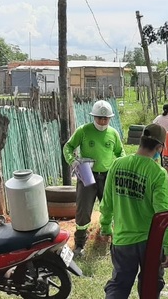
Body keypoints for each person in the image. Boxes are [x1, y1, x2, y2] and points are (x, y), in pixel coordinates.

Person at [99, 123, 168, 298]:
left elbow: (107, 203)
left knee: (118, 285)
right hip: (150, 242)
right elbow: (162, 214)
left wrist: (105, 227)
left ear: (140, 142)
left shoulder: (117, 165)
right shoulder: (157, 173)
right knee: (150, 285)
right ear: (159, 147)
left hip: (122, 240)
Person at [63, 99, 125, 256]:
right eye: (99, 118)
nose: (103, 121)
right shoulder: (83, 131)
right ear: (93, 117)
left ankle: (110, 238)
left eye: (106, 118)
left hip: (108, 175)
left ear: (110, 118)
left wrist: (120, 166)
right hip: (86, 173)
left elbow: (120, 153)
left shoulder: (113, 133)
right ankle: (79, 244)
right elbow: (68, 147)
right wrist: (73, 161)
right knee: (83, 209)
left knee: (111, 208)